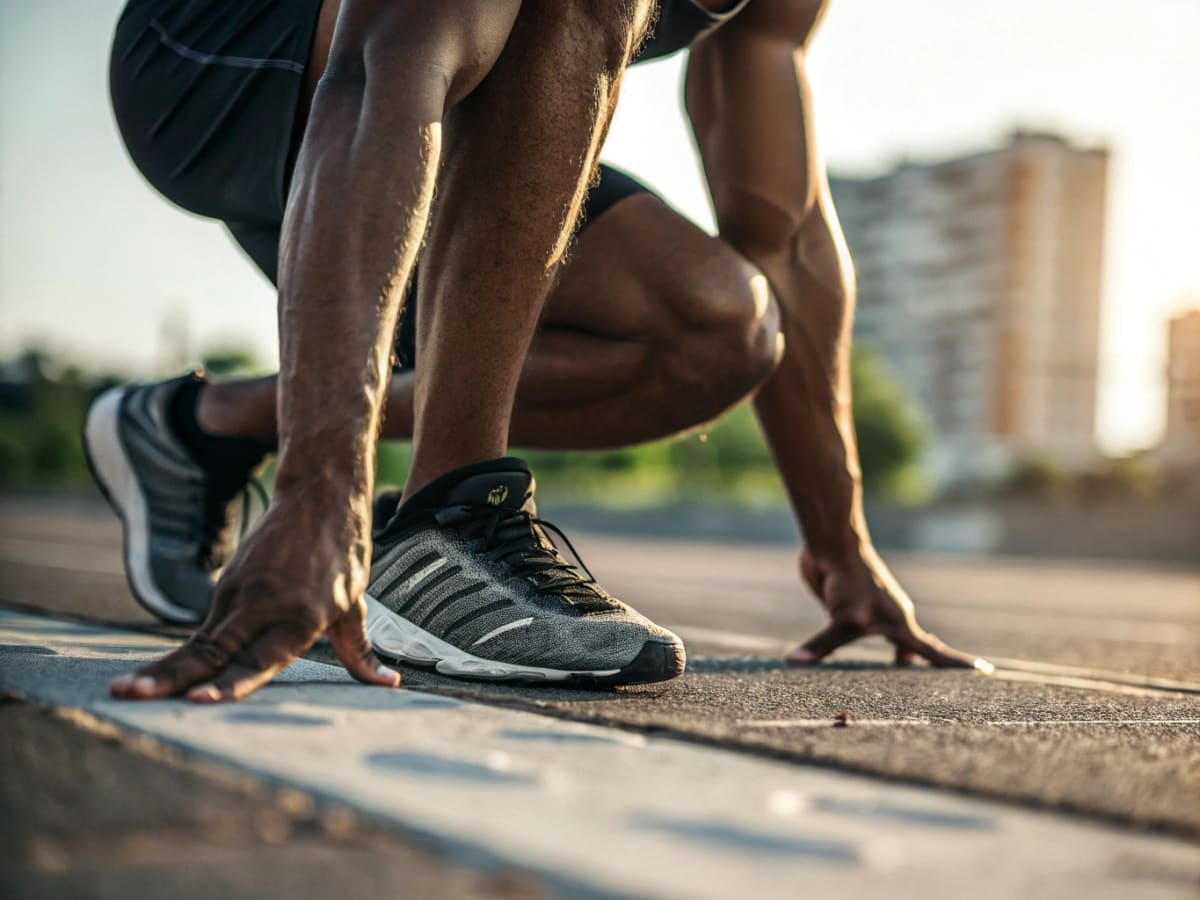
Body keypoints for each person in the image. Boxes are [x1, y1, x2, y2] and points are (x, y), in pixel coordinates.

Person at [90, 0, 983, 704]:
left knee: (716, 328)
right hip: (216, 61)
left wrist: (844, 544)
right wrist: (323, 492)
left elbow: (787, 240)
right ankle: (451, 520)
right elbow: (384, 58)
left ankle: (202, 425)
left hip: (425, 106)